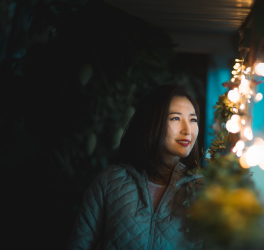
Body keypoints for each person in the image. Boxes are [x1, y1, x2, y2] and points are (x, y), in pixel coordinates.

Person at [71, 84, 205, 249]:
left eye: (193, 120)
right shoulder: (110, 182)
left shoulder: (203, 190)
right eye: (175, 118)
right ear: (152, 122)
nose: (187, 130)